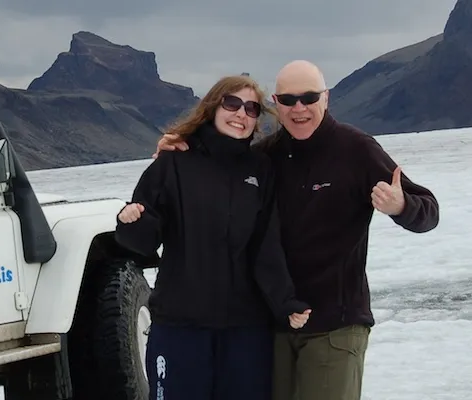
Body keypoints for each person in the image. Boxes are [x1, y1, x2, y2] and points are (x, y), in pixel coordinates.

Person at [153, 60, 440, 400]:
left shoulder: (356, 150)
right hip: (273, 325)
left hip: (334, 326)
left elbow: (428, 209)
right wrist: (180, 150)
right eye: (288, 100)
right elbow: (218, 167)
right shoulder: (265, 158)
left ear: (326, 98)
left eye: (309, 98)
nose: (299, 108)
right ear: (276, 103)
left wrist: (402, 206)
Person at [115, 74, 312, 400]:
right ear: (212, 107)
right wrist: (131, 223)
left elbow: (265, 245)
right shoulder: (173, 163)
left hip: (245, 330)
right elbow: (144, 243)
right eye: (232, 103)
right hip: (181, 327)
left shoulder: (260, 169)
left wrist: (284, 301)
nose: (241, 114)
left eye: (251, 109)